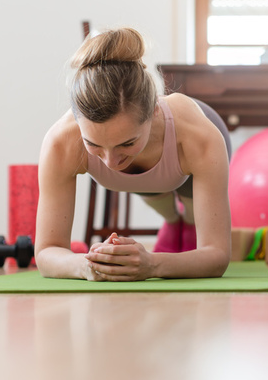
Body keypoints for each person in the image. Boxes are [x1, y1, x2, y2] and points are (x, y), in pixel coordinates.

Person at [35, 27, 232, 281]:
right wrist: (88, 265)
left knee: (192, 213)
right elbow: (45, 252)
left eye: (126, 143)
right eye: (93, 144)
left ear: (154, 112)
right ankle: (172, 222)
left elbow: (216, 255)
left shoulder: (198, 136)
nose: (110, 161)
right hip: (150, 164)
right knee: (147, 184)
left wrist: (152, 265)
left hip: (191, 148)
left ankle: (185, 222)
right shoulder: (60, 142)